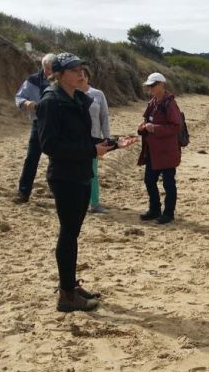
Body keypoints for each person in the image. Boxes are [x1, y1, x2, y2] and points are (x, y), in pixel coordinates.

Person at [37, 53, 136, 312]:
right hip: (65, 176)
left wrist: (112, 144)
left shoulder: (80, 99)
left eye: (82, 69)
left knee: (73, 233)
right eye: (74, 70)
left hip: (82, 174)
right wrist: (92, 151)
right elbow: (49, 145)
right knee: (68, 234)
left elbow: (85, 139)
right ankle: (67, 295)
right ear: (59, 74)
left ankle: (70, 286)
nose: (81, 74)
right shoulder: (51, 102)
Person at [137, 72, 182, 225]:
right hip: (153, 150)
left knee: (168, 183)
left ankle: (168, 213)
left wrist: (154, 128)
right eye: (149, 86)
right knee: (149, 180)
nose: (151, 88)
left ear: (162, 85)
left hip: (167, 151)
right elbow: (147, 120)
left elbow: (176, 127)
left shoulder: (170, 104)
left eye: (153, 85)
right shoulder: (153, 102)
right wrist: (142, 127)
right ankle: (154, 209)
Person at [14, 53, 56, 203]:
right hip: (39, 123)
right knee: (32, 158)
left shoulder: (61, 81)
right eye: (45, 68)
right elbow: (19, 97)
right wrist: (26, 103)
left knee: (56, 158)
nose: (47, 71)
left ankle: (54, 190)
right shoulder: (32, 80)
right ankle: (23, 192)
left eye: (51, 68)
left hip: (57, 124)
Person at [80, 66, 111, 214]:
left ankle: (95, 203)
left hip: (94, 138)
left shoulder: (97, 94)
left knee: (92, 172)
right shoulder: (71, 94)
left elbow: (104, 116)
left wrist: (107, 137)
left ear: (88, 77)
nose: (81, 78)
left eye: (84, 75)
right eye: (78, 75)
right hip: (76, 138)